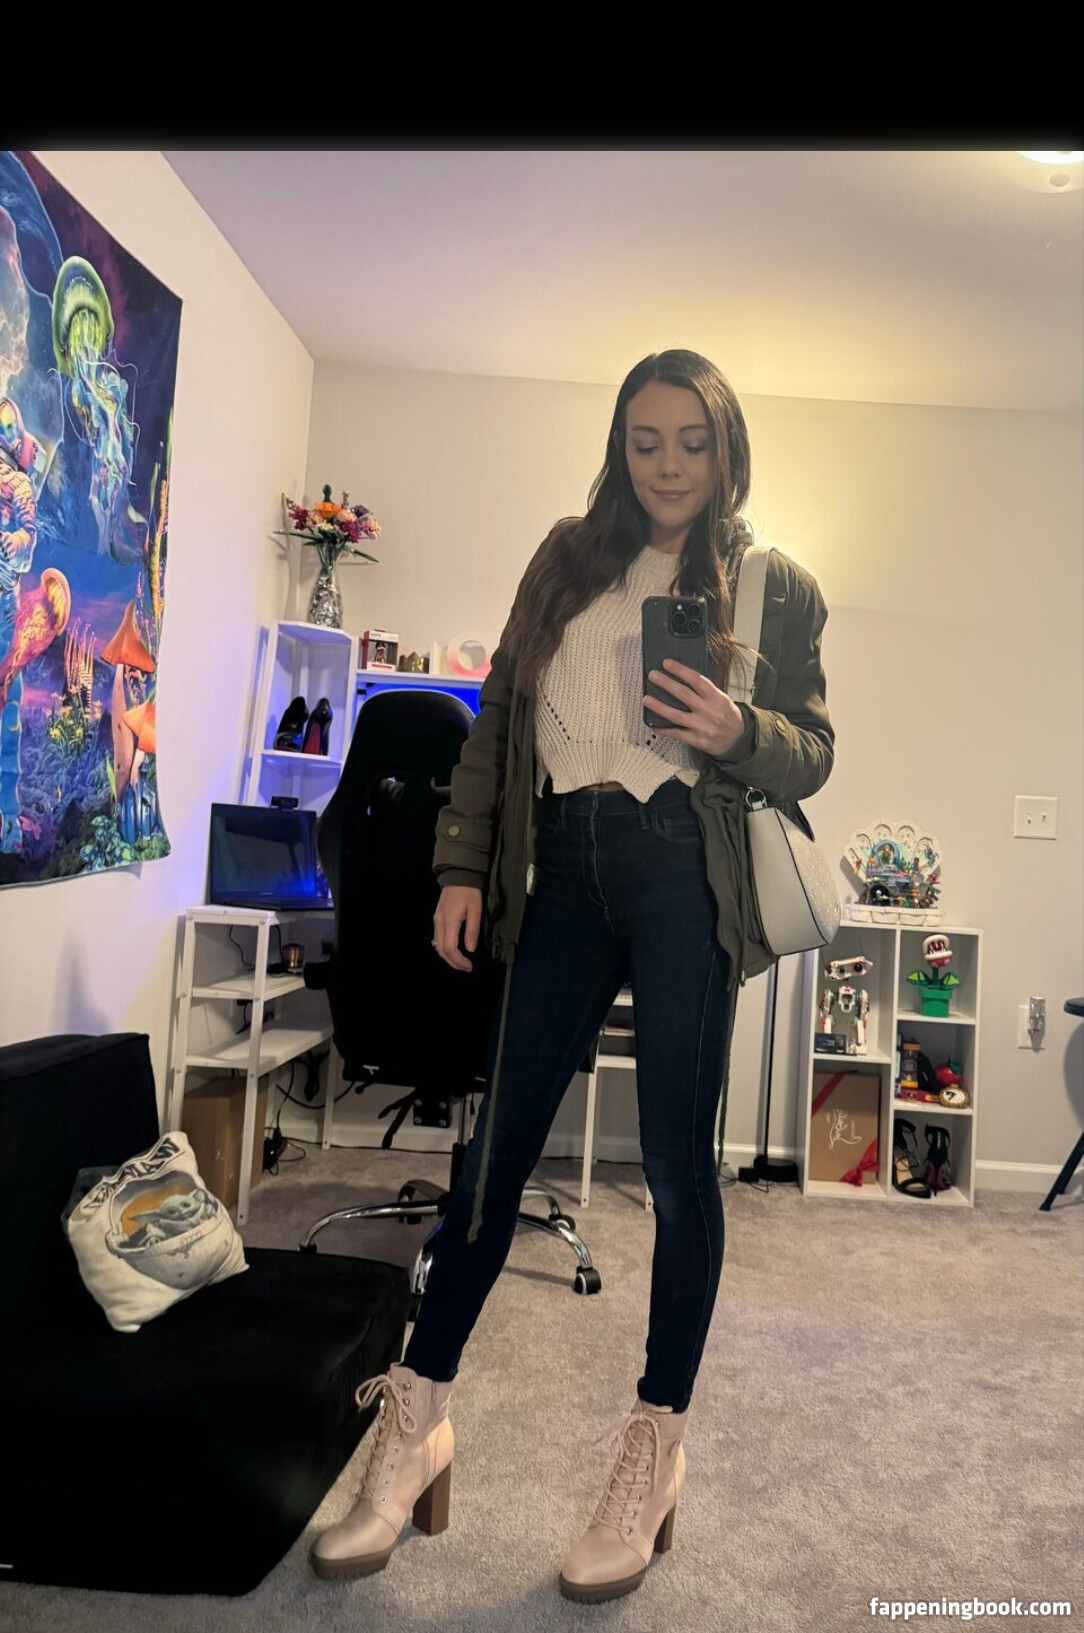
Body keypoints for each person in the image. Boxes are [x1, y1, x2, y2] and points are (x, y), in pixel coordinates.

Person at [311, 349, 834, 1601]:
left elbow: (811, 750)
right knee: (494, 1153)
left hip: (683, 868)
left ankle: (655, 1448)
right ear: (618, 446)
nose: (668, 464)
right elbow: (497, 717)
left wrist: (739, 730)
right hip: (561, 867)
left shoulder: (772, 583)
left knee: (675, 1168)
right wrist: (459, 862)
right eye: (645, 440)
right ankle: (417, 1418)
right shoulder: (565, 556)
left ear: (726, 448)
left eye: (692, 441)